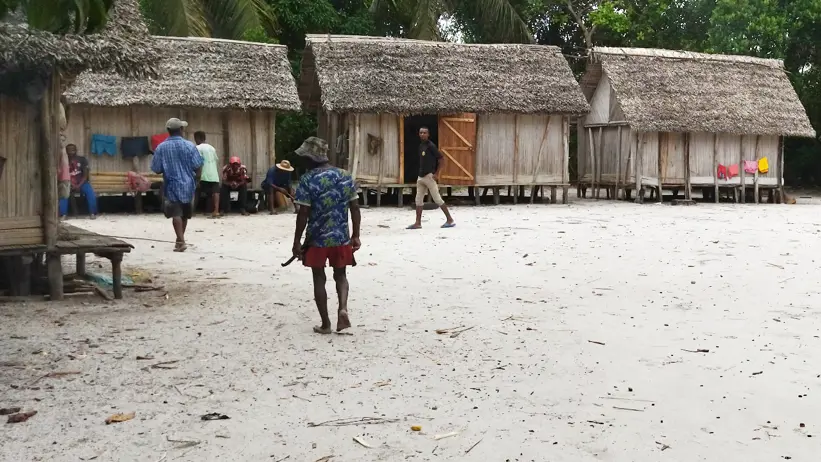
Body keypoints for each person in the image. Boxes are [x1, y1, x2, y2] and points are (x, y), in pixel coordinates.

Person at [292, 137, 361, 334]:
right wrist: (356, 235)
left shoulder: (307, 180)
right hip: (341, 237)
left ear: (311, 158)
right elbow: (355, 208)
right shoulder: (345, 176)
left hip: (317, 239)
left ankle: (326, 324)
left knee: (318, 277)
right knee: (341, 275)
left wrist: (297, 241)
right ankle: (343, 308)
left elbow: (303, 214)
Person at [151, 118, 203, 252]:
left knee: (176, 213)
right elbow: (198, 165)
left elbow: (156, 168)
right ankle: (180, 240)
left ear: (168, 131)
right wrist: (197, 181)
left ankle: (180, 240)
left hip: (171, 184)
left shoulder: (161, 147)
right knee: (184, 214)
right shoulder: (190, 146)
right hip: (188, 184)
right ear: (181, 130)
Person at [407, 127, 455, 229]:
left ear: (428, 134)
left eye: (425, 133)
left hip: (429, 177)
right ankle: (418, 223)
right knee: (418, 200)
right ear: (419, 134)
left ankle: (450, 220)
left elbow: (441, 159)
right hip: (420, 177)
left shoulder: (431, 146)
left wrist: (437, 173)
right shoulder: (421, 146)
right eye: (421, 132)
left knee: (437, 199)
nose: (422, 134)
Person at [59, 144, 98, 219]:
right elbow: (63, 174)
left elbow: (85, 175)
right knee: (63, 194)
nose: (71, 152)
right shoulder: (63, 160)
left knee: (90, 193)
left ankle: (92, 213)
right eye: (69, 150)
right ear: (66, 151)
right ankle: (63, 214)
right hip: (68, 183)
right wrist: (71, 184)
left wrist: (78, 185)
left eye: (73, 150)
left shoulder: (82, 159)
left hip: (82, 183)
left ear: (76, 150)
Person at [194, 131, 220, 218]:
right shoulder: (212, 148)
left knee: (196, 190)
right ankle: (215, 210)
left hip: (203, 173)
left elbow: (198, 162)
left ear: (198, 138)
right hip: (213, 174)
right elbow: (216, 160)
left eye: (195, 139)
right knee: (215, 192)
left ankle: (192, 210)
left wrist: (197, 175)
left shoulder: (197, 148)